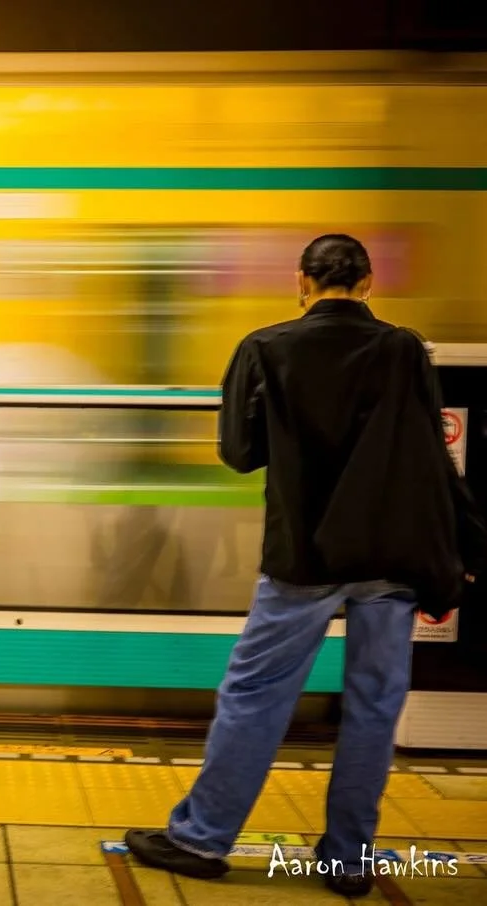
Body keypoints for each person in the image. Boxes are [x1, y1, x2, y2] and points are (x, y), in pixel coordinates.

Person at [126, 234, 485, 897]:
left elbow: (238, 451)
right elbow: (430, 451)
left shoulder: (266, 347)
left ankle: (201, 839)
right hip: (389, 554)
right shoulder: (405, 347)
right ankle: (347, 860)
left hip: (305, 557)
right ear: (368, 284)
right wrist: (466, 542)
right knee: (376, 706)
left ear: (302, 282)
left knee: (256, 695)